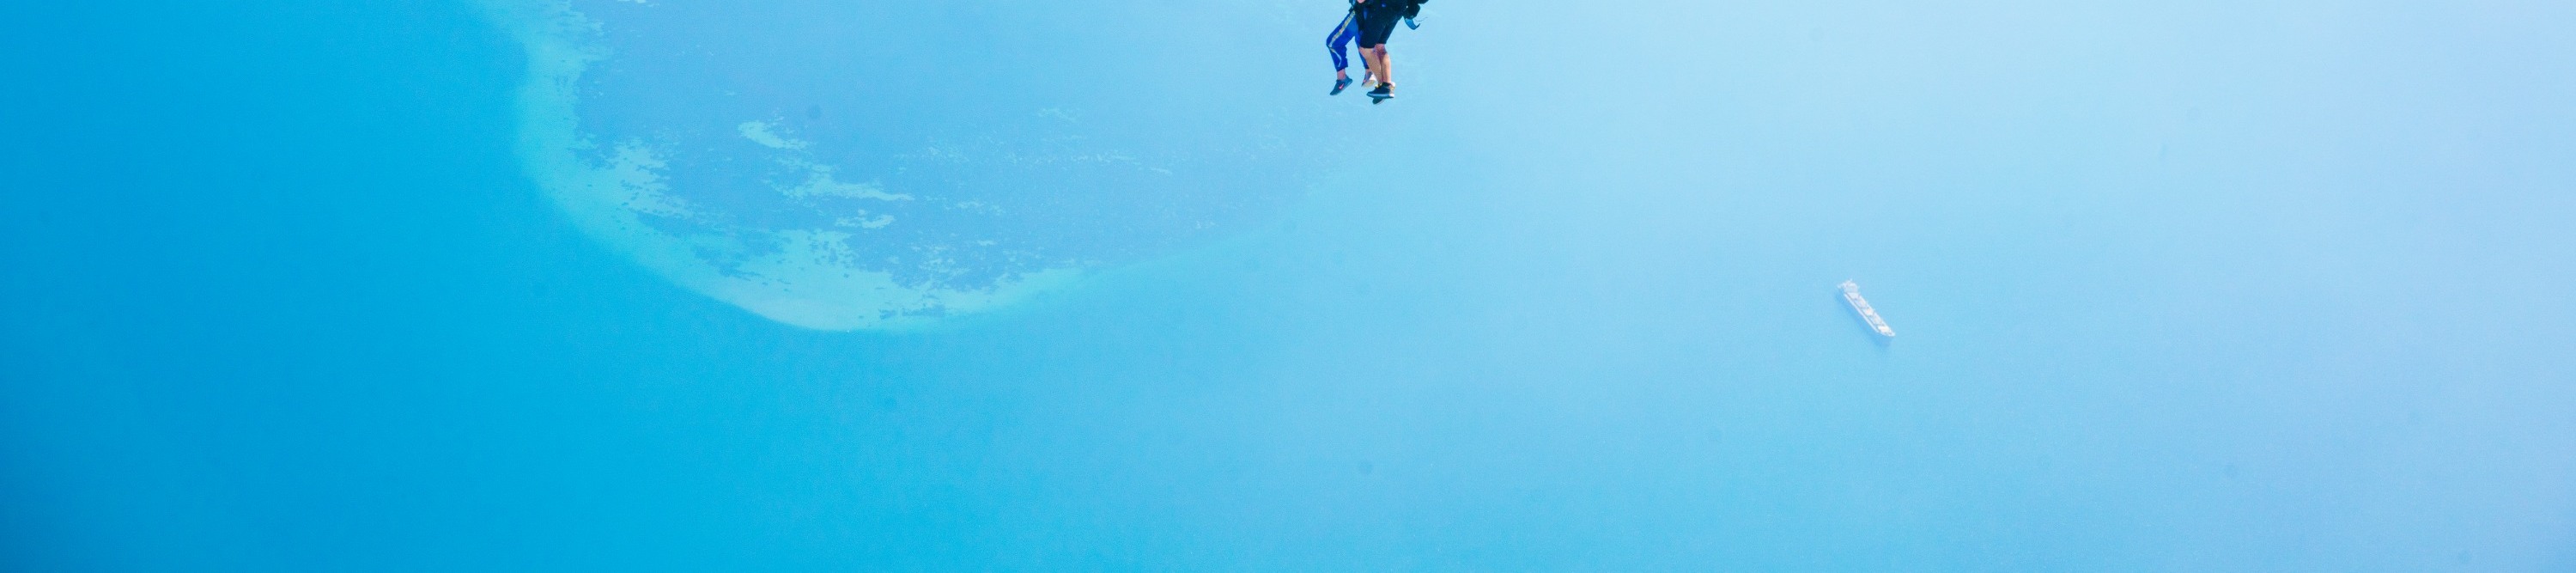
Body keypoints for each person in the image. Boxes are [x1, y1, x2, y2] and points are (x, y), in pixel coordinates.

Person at [1326, 0, 1425, 101]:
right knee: (1378, 46)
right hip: (1397, 10)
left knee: (1363, 48)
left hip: (1380, 9)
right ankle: (1384, 84)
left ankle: (1382, 85)